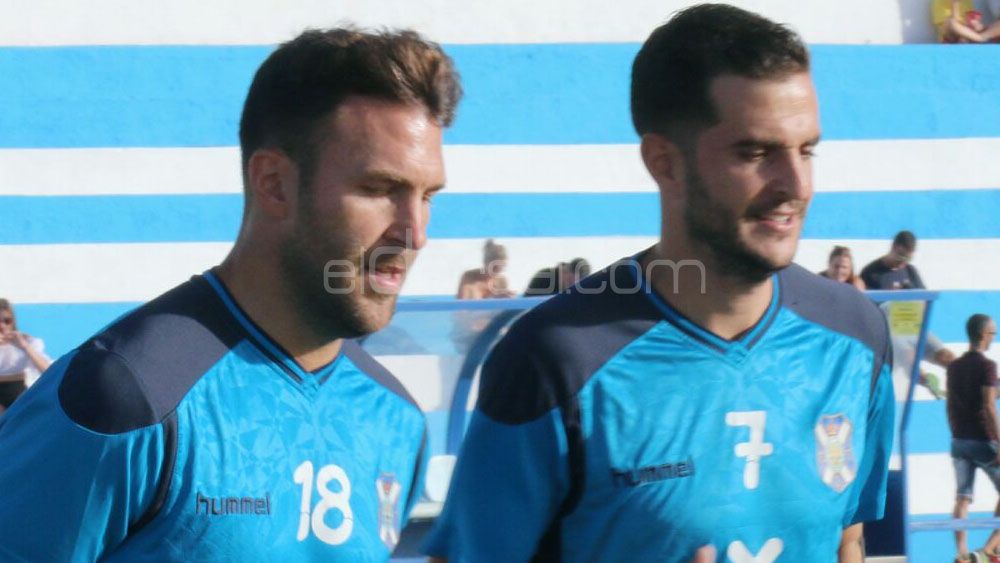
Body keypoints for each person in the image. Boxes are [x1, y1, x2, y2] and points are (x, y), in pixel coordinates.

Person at [425, 5, 892, 562]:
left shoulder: (857, 336)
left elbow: (847, 541)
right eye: (755, 153)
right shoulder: (554, 359)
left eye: (807, 150)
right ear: (664, 162)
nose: (796, 184)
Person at [0, 27, 461, 561]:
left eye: (427, 196)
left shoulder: (396, 418)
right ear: (274, 184)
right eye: (379, 189)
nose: (415, 233)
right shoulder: (127, 397)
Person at [863, 230, 955, 395]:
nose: (902, 263)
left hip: (913, 327)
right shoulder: (872, 273)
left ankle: (970, 379)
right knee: (908, 355)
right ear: (893, 247)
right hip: (890, 331)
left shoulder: (910, 271)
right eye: (900, 257)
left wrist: (912, 299)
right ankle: (926, 380)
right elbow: (864, 307)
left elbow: (925, 301)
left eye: (907, 259)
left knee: (944, 354)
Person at [946, 314, 1000, 563]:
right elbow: (988, 405)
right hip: (982, 439)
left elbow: (951, 403)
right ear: (983, 334)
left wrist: (955, 432)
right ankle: (989, 549)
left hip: (959, 439)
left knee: (963, 497)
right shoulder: (987, 366)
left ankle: (961, 554)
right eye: (993, 333)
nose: (993, 338)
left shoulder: (954, 367)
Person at [0, 298, 52, 414]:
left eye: (7, 321)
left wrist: (25, 346)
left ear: (13, 322)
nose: (2, 326)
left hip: (17, 392)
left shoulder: (28, 341)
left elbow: (48, 371)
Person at [523, 257, 593, 296]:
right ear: (564, 271)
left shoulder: (578, 289)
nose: (572, 283)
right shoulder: (545, 276)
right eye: (569, 280)